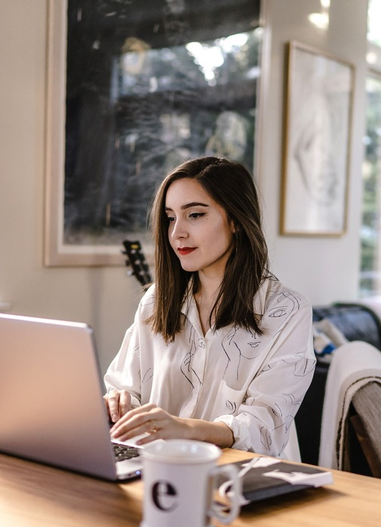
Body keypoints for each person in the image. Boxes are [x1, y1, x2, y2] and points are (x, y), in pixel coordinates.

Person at [104, 156, 315, 460]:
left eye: (195, 215)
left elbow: (264, 427)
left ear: (236, 220)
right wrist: (118, 401)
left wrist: (185, 429)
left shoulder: (288, 311)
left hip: (248, 482)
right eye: (170, 217)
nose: (177, 233)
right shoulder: (156, 301)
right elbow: (124, 387)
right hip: (157, 473)